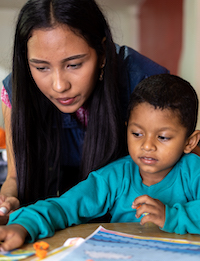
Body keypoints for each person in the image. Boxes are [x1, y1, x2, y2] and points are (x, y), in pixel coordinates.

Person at [0, 0, 169, 215]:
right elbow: (15, 177)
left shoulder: (147, 85)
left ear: (102, 54)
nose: (60, 85)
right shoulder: (17, 91)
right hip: (56, 221)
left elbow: (174, 178)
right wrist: (7, 200)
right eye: (41, 67)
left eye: (74, 64)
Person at [0, 73, 200, 251]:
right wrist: (24, 225)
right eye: (137, 133)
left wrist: (170, 217)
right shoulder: (116, 177)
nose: (147, 145)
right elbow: (65, 206)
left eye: (163, 137)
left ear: (190, 142)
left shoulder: (193, 172)